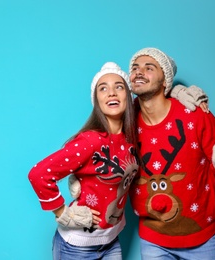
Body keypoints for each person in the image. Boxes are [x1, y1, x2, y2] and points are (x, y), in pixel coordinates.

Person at [127, 47, 215, 260]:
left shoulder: (195, 114)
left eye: (149, 67)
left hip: (201, 239)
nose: (138, 72)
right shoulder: (126, 119)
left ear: (165, 81)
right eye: (135, 68)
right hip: (152, 239)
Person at [28, 62, 140, 259]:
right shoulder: (91, 140)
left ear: (128, 97)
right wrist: (64, 213)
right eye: (103, 88)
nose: (111, 92)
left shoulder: (130, 139)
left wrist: (179, 94)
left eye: (119, 87)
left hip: (111, 241)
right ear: (97, 100)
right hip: (77, 247)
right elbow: (39, 174)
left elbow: (155, 105)